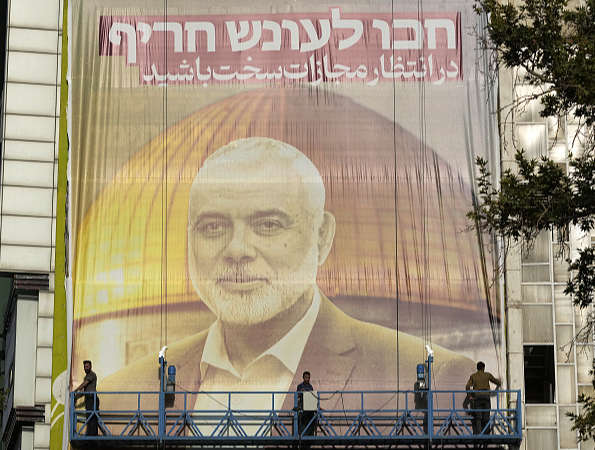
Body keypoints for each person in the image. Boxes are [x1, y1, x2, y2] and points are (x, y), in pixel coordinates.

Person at [101, 137, 474, 413]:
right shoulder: (118, 399)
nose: (236, 250)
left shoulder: (432, 379)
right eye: (213, 226)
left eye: (267, 224)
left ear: (321, 237)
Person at [465, 361, 502, 438]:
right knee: (486, 416)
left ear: (477, 368)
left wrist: (469, 396)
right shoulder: (487, 375)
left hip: (477, 397)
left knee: (478, 416)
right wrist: (499, 382)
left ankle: (479, 433)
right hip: (486, 396)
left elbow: (467, 386)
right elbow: (496, 381)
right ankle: (487, 433)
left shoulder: (473, 376)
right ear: (483, 368)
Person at [73, 360, 99, 436]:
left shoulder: (91, 374)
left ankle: (92, 434)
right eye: (85, 367)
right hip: (89, 399)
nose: (86, 368)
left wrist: (75, 390)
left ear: (91, 367)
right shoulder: (86, 377)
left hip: (92, 398)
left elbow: (84, 384)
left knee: (92, 416)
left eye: (87, 367)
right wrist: (76, 396)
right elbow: (83, 390)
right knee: (90, 416)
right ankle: (91, 433)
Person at [296, 371, 316, 437]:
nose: (307, 379)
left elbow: (313, 397)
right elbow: (296, 396)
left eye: (308, 377)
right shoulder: (300, 386)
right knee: (303, 424)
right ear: (303, 378)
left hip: (310, 408)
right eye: (306, 377)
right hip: (303, 408)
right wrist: (300, 392)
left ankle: (310, 437)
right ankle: (303, 437)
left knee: (311, 423)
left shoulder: (310, 387)